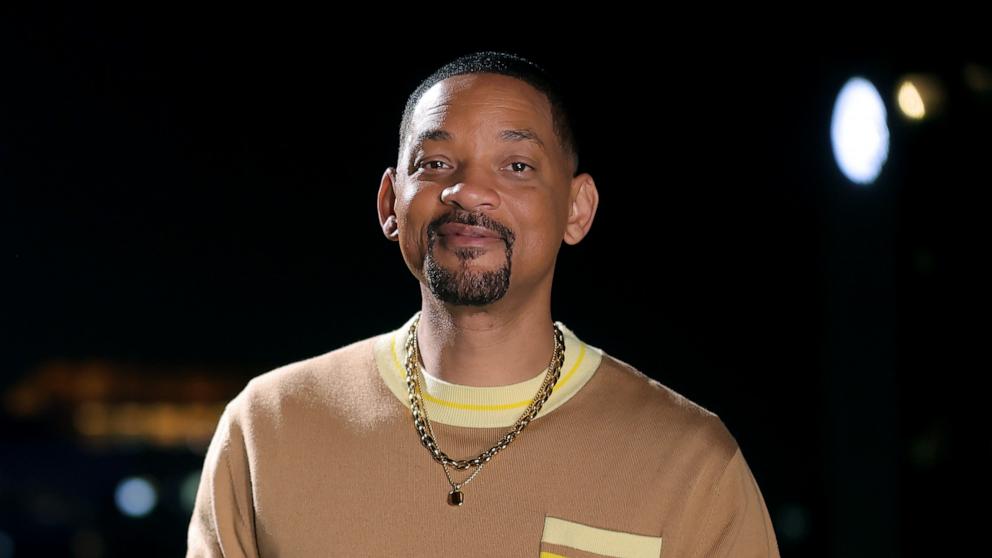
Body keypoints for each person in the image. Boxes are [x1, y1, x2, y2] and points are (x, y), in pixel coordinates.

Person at [187, 50, 781, 557]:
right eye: (436, 163)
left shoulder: (691, 464)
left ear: (577, 208)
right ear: (391, 203)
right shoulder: (268, 429)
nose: (467, 190)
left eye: (517, 166)